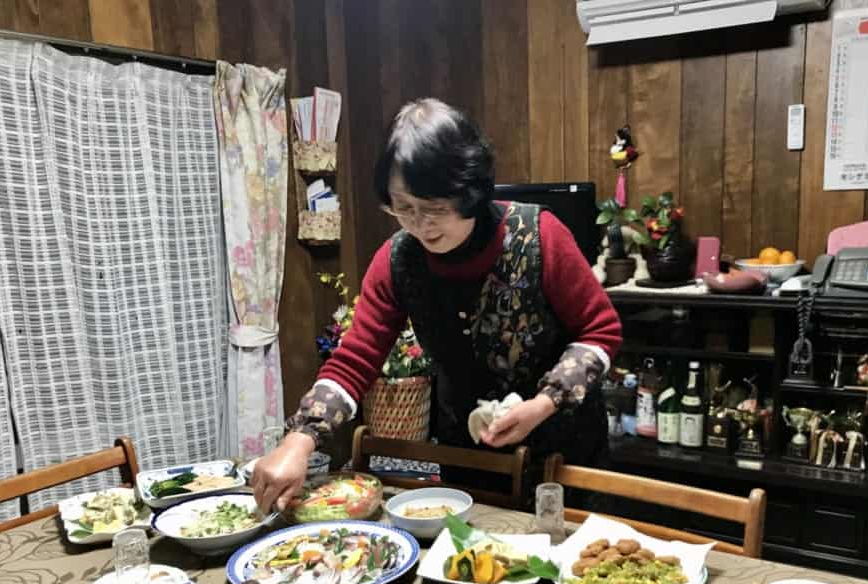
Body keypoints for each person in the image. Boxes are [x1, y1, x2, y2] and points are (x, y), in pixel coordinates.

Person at [252, 98, 622, 513]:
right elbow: (355, 360)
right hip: (467, 458)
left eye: (436, 208)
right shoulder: (398, 260)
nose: (421, 225)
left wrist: (545, 402)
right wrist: (299, 439)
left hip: (565, 456)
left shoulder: (539, 236)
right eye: (404, 208)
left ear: (471, 192)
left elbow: (601, 330)